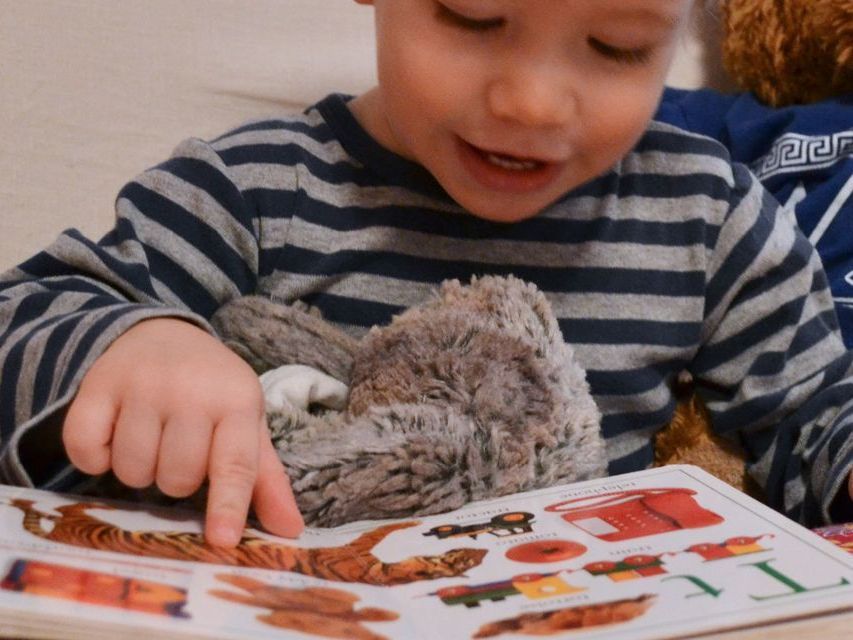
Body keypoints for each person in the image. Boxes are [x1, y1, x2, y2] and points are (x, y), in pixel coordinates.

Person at [1, 0, 851, 548]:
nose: (533, 102)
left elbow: (814, 414)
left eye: (615, 47)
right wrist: (132, 343)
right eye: (472, 17)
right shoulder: (258, 187)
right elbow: (26, 315)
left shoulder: (702, 212)